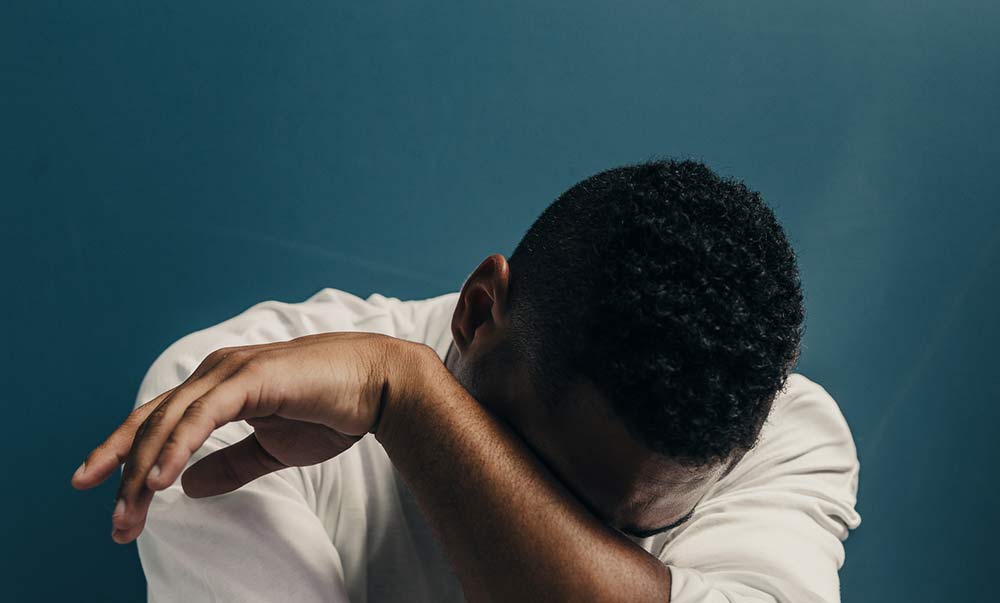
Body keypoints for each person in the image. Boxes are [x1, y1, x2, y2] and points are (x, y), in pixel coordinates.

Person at [71, 159, 861, 602]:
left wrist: (409, 397)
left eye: (634, 534)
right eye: (537, 477)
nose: (556, 534)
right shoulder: (235, 400)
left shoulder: (784, 435)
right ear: (478, 311)